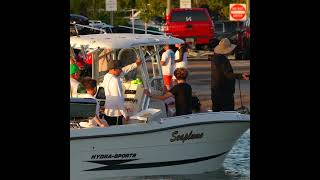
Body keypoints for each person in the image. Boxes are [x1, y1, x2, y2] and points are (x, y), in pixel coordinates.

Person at [209, 38, 249, 112]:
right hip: (224, 93)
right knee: (228, 113)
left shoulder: (215, 58)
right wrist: (240, 76)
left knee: (216, 113)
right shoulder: (223, 60)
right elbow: (228, 75)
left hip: (215, 90)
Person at [100, 60, 129, 126]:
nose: (121, 70)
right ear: (114, 69)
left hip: (108, 112)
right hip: (116, 115)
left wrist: (135, 64)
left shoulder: (106, 76)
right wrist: (125, 114)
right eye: (120, 69)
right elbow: (118, 100)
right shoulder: (115, 80)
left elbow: (124, 71)